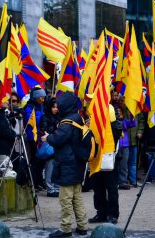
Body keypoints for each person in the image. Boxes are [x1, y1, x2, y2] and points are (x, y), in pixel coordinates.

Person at [42, 91, 87, 238]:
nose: (58, 107)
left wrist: (48, 138)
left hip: (68, 164)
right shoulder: (78, 117)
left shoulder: (67, 122)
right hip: (77, 164)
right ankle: (82, 226)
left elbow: (57, 139)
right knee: (77, 198)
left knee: (65, 199)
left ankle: (66, 228)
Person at [89, 104, 123, 225]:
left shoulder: (111, 109)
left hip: (109, 156)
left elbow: (118, 130)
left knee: (111, 187)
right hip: (95, 156)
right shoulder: (91, 109)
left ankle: (113, 214)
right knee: (98, 187)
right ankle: (101, 213)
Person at [23, 87, 46, 190]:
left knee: (39, 161)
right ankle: (33, 182)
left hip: (39, 136)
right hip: (32, 137)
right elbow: (30, 121)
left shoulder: (40, 106)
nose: (43, 100)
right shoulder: (29, 107)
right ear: (36, 97)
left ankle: (38, 182)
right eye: (41, 97)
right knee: (34, 160)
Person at [39, 97, 60, 197]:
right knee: (50, 166)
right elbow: (45, 130)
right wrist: (55, 126)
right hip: (50, 144)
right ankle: (50, 188)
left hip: (58, 144)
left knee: (57, 167)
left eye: (57, 107)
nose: (55, 109)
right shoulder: (45, 117)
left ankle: (56, 187)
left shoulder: (60, 117)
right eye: (53, 107)